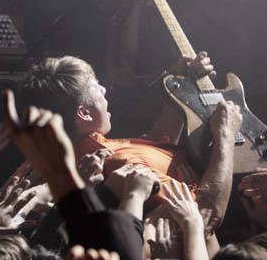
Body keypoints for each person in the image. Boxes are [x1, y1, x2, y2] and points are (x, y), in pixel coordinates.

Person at [18, 55, 242, 237]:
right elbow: (208, 213)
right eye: (96, 87)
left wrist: (180, 82)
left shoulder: (97, 150)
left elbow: (159, 143)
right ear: (84, 113)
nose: (105, 90)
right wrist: (225, 135)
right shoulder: (116, 163)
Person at [47, 0, 180, 137]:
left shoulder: (151, 12)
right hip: (124, 110)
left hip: (150, 115)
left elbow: (173, 69)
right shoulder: (115, 18)